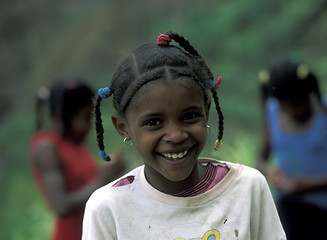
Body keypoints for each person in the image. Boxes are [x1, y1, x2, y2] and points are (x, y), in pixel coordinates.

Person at [81, 31, 286, 240]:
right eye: (153, 122)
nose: (176, 135)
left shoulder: (246, 188)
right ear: (123, 127)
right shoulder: (108, 209)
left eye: (189, 116)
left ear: (206, 111)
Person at [256, 60, 327, 240]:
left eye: (297, 103)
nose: (293, 111)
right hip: (285, 212)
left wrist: (310, 184)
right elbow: (260, 162)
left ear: (310, 94)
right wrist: (271, 172)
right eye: (286, 105)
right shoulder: (272, 111)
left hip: (323, 214)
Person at [29, 78, 126, 240]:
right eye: (85, 118)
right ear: (63, 114)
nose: (89, 126)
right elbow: (61, 206)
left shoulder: (75, 144)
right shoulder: (46, 147)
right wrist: (102, 180)